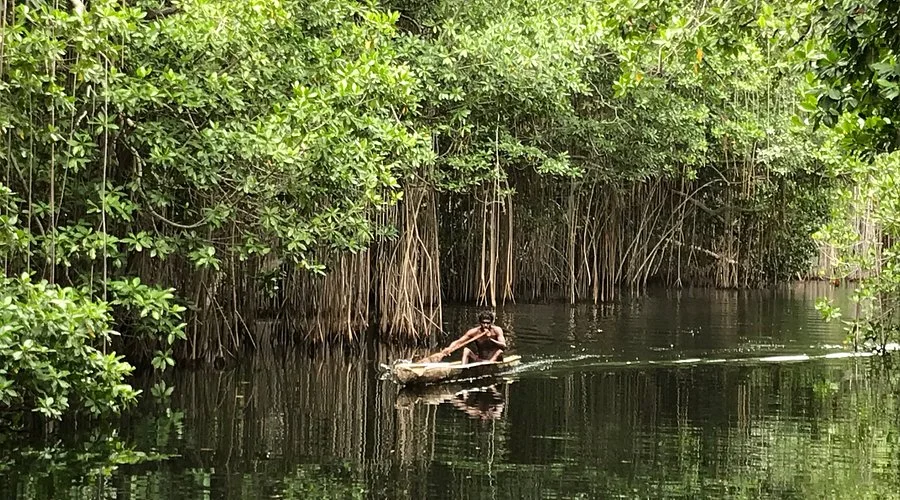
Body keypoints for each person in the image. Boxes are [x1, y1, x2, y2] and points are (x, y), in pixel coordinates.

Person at [441, 311, 506, 364]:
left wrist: (490, 339)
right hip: (480, 360)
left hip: (493, 360)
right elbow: (459, 341)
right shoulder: (475, 332)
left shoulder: (497, 330)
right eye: (483, 323)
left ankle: (489, 365)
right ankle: (463, 369)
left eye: (488, 323)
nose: (485, 325)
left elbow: (503, 346)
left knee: (499, 351)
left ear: (491, 323)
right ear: (480, 323)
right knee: (466, 350)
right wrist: (449, 348)